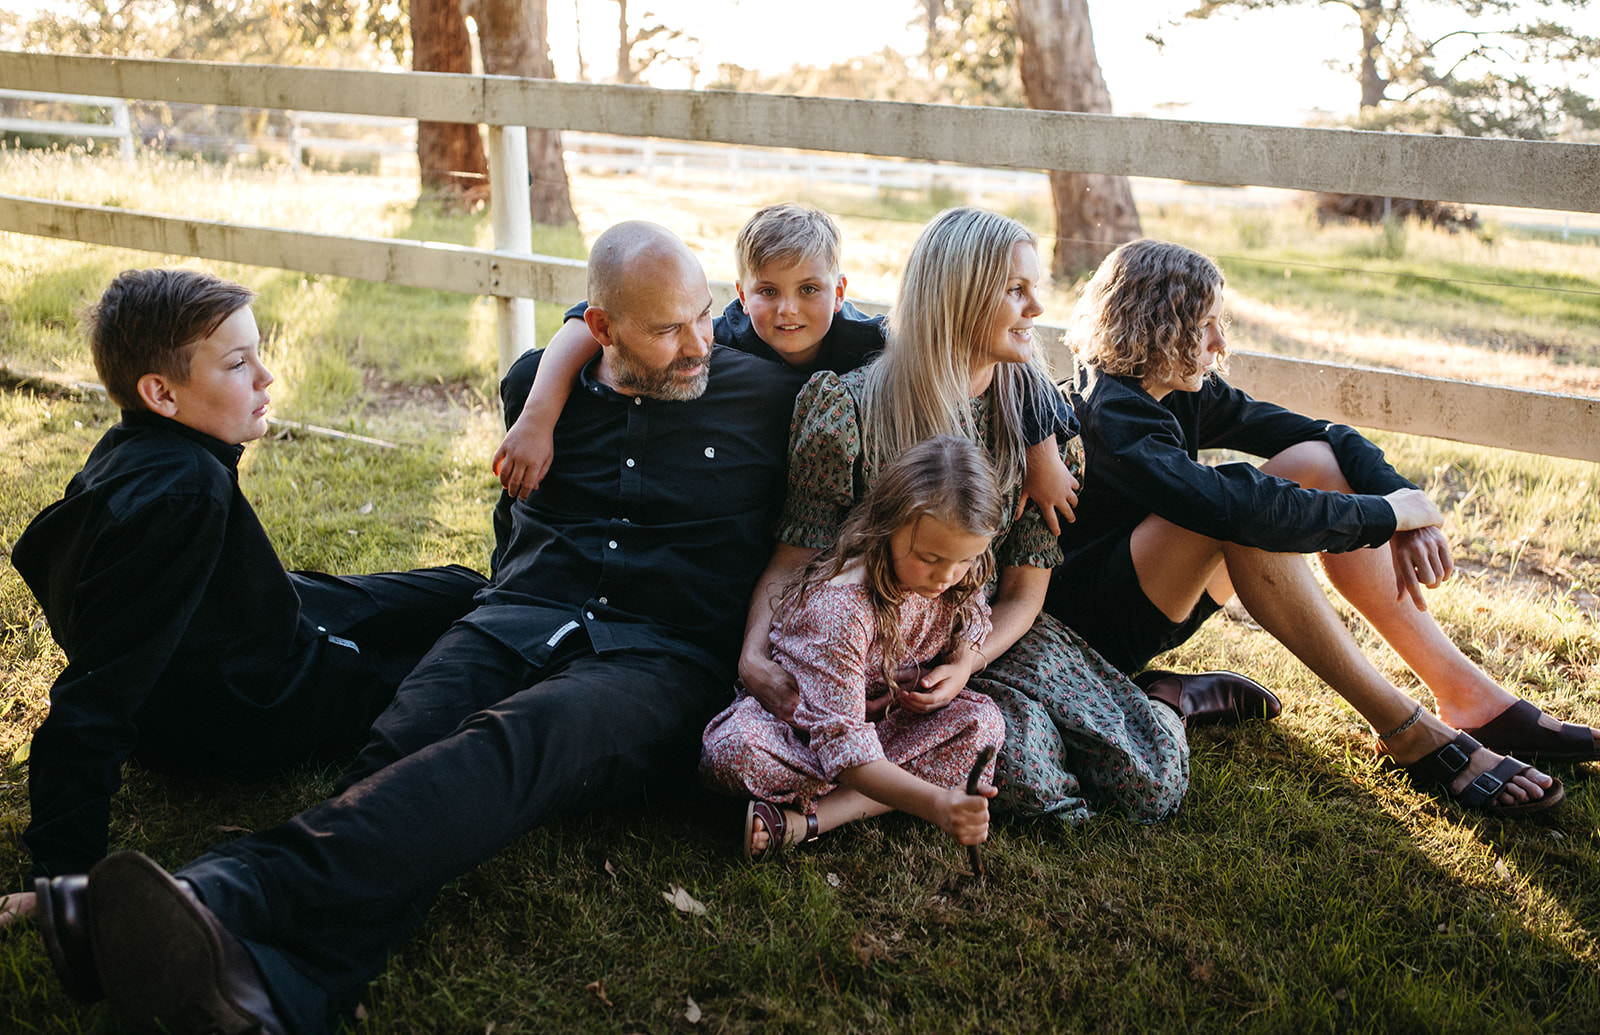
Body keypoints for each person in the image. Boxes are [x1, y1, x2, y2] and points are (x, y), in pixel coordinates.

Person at [29, 221, 803, 1035]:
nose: (699, 343)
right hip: (522, 612)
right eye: (669, 328)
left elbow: (882, 359)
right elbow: (573, 340)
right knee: (396, 750)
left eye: (705, 314)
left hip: (658, 655)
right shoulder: (542, 382)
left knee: (514, 742)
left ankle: (220, 892)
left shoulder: (770, 396)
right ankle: (280, 991)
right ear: (603, 329)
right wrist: (547, 397)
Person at [737, 207, 1275, 829]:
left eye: (1033, 290)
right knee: (1021, 766)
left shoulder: (1035, 431)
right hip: (870, 641)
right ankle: (924, 760)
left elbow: (1025, 590)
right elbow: (794, 557)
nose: (1036, 310)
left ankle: (1165, 702)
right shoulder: (848, 409)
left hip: (985, 631)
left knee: (1147, 785)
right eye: (1016, 291)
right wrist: (753, 655)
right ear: (960, 295)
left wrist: (965, 662)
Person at [1047, 237, 1589, 816]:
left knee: (1315, 464)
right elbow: (1238, 508)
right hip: (1087, 629)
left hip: (1147, 590)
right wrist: (1387, 518)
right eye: (1205, 326)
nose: (1220, 344)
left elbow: (1324, 435)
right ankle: (1406, 729)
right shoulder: (1110, 413)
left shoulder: (1173, 390)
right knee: (1248, 512)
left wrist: (1400, 499)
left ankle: (1467, 697)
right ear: (1157, 326)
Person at [5, 268, 486, 899]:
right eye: (237, 364)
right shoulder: (182, 494)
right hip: (253, 700)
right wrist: (62, 877)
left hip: (272, 614)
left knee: (464, 586)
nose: (266, 377)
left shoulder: (139, 444)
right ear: (162, 394)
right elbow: (94, 698)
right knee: (473, 665)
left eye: (259, 355)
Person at [489, 201, 1083, 543]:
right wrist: (539, 415)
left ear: (841, 290)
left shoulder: (868, 344)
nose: (789, 309)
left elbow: (988, 357)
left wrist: (1042, 455)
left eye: (810, 290)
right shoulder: (716, 337)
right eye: (768, 291)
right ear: (740, 295)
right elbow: (585, 321)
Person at [701, 435, 1005, 858]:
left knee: (982, 723)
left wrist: (961, 665)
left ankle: (805, 819)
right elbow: (841, 746)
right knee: (736, 752)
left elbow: (974, 617)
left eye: (966, 559)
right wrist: (938, 803)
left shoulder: (958, 574)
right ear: (889, 525)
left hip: (881, 724)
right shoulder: (844, 608)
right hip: (803, 730)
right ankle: (886, 792)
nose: (947, 576)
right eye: (930, 558)